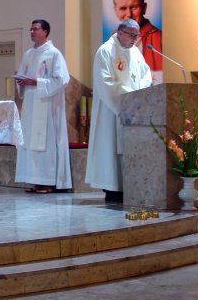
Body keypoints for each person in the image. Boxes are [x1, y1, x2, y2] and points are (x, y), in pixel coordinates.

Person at [85, 18, 153, 202]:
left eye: (137, 35)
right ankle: (113, 190)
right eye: (132, 35)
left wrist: (140, 95)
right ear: (120, 32)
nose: (135, 39)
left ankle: (130, 186)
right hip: (112, 110)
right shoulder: (105, 51)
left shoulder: (136, 53)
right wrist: (130, 98)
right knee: (111, 149)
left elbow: (146, 75)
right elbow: (105, 83)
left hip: (134, 111)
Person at [14, 19, 72, 194]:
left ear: (45, 31)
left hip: (47, 107)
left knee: (46, 142)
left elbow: (62, 79)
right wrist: (21, 82)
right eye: (31, 29)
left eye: (36, 29)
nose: (32, 32)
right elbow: (21, 75)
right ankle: (36, 180)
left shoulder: (54, 54)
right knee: (32, 142)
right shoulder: (28, 55)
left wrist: (36, 82)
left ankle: (49, 181)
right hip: (31, 106)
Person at [112, 0, 162, 72]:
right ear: (115, 11)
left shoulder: (158, 38)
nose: (129, 14)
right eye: (123, 8)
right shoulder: (113, 38)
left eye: (134, 7)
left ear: (144, 8)